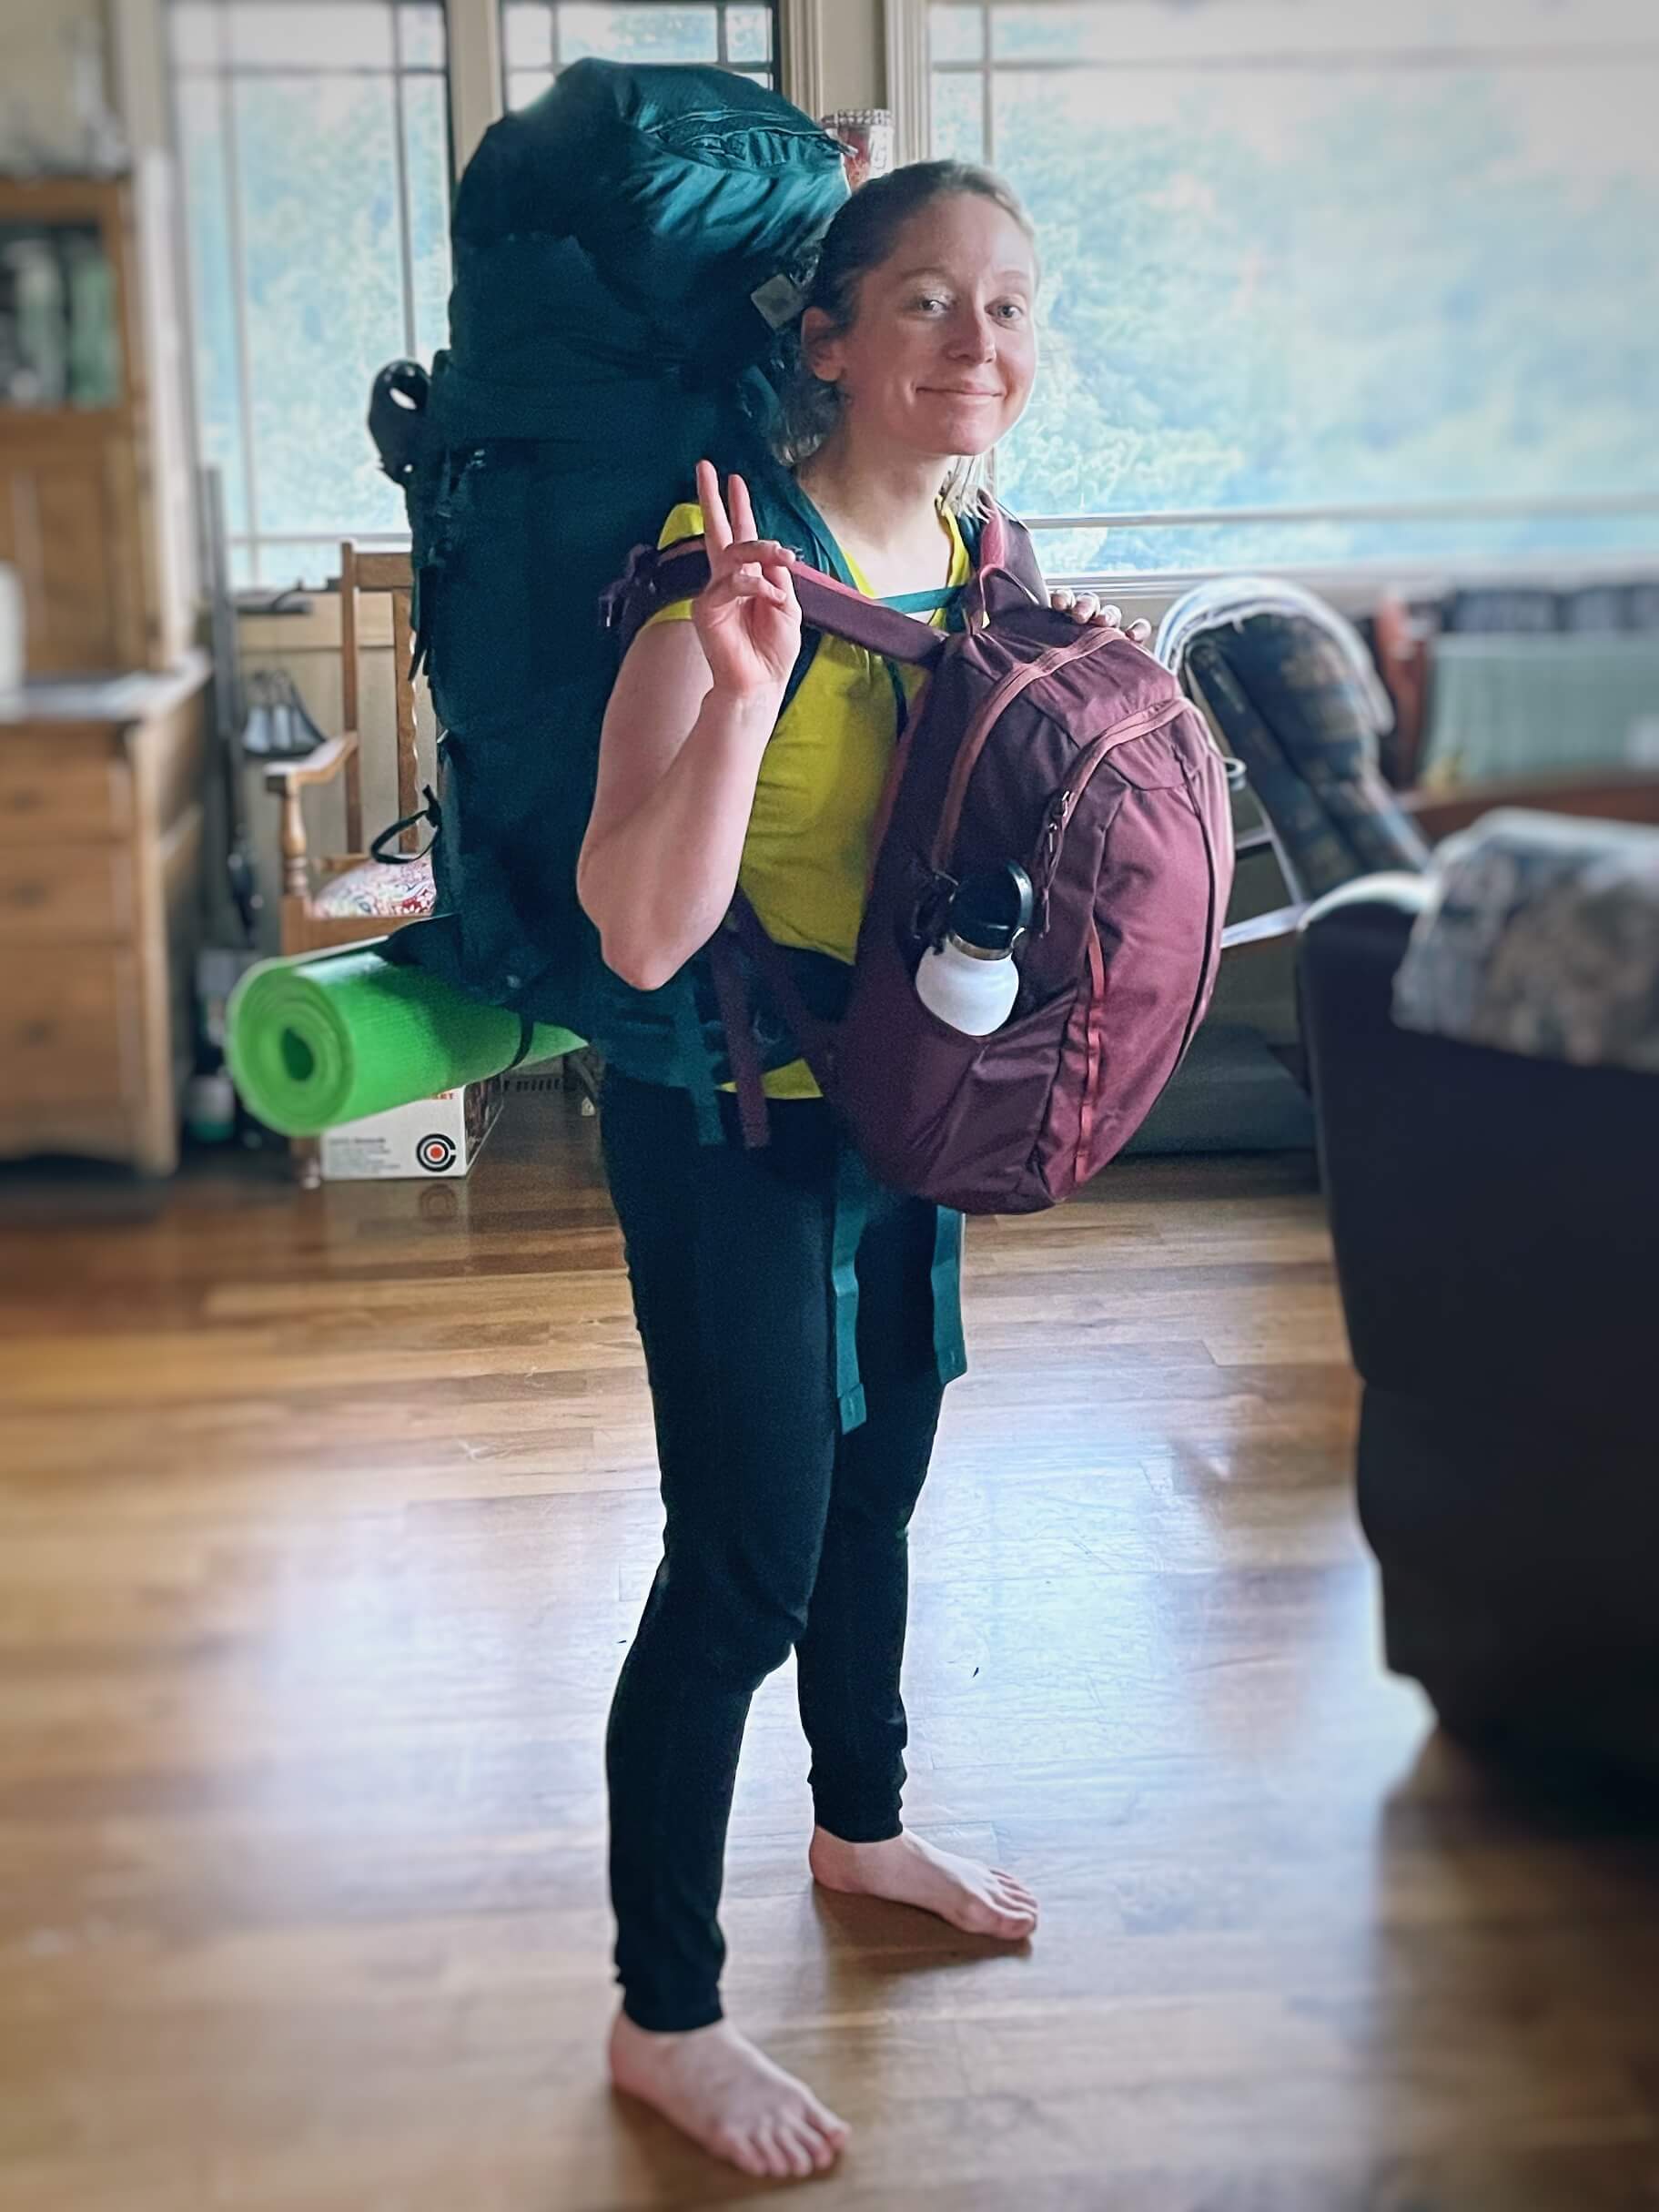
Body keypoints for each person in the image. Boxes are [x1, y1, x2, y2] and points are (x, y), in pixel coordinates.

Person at [577, 159, 1149, 2183]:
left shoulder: (991, 546)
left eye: (1005, 305)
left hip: (910, 1110)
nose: (974, 344)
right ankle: (665, 2016)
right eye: (923, 302)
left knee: (882, 1489)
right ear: (822, 337)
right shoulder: (720, 555)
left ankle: (860, 1821)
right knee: (741, 1562)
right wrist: (738, 700)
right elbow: (638, 925)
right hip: (729, 1113)